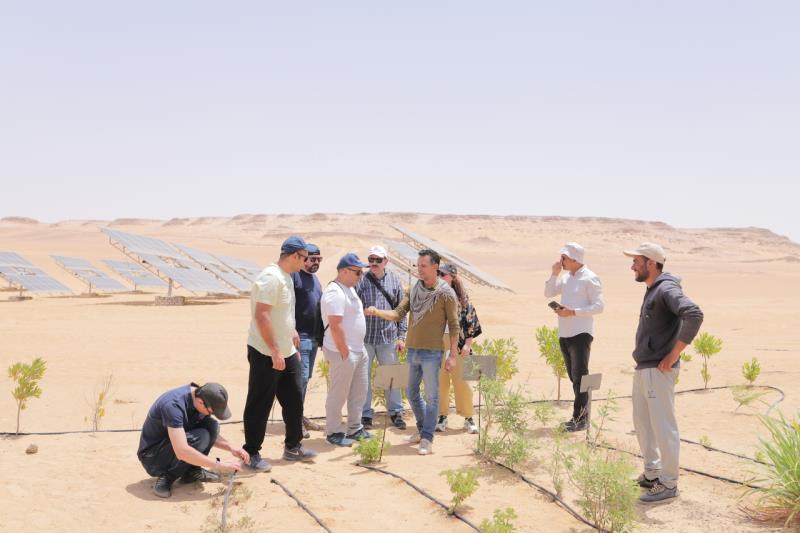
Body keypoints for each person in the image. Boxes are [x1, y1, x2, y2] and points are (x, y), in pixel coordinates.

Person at [624, 242, 703, 504]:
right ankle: (652, 473)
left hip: (659, 369)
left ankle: (669, 484)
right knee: (643, 424)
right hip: (645, 368)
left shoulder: (666, 288)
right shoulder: (652, 290)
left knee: (663, 426)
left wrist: (674, 354)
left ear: (651, 263)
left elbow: (694, 313)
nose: (632, 266)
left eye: (636, 261)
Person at [366, 249, 459, 456]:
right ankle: (422, 428)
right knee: (411, 392)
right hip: (412, 350)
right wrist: (377, 311)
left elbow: (454, 326)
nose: (420, 270)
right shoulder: (415, 288)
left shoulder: (446, 293)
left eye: (423, 266)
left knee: (432, 396)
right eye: (418, 266)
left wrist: (452, 355)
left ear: (435, 267)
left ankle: (427, 438)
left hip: (433, 352)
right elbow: (399, 313)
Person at [242, 236, 318, 471]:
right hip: (266, 352)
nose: (306, 263)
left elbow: (281, 312)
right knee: (260, 403)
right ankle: (251, 453)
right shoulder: (270, 278)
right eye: (305, 258)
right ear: (295, 256)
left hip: (286, 350)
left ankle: (293, 446)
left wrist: (291, 331)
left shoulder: (286, 277)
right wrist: (274, 350)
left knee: (294, 400)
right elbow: (262, 315)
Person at [137, 382, 247, 498]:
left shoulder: (199, 395)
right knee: (201, 436)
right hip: (152, 457)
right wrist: (218, 464)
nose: (212, 414)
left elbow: (210, 433)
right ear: (200, 402)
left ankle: (192, 472)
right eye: (211, 412)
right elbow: (182, 451)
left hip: (171, 444)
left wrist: (231, 447)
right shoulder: (173, 406)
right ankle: (167, 477)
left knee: (212, 426)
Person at [544, 242, 604, 431]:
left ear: (575, 259)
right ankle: (580, 417)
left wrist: (573, 312)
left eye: (564, 258)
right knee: (573, 376)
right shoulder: (567, 278)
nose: (561, 261)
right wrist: (554, 274)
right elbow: (548, 293)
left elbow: (599, 306)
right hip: (565, 333)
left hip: (581, 333)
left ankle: (580, 419)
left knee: (580, 377)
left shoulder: (590, 278)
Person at [321, 253, 371, 446]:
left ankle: (355, 428)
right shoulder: (335, 292)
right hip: (343, 351)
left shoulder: (349, 289)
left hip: (358, 350)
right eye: (357, 272)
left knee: (359, 391)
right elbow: (335, 325)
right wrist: (345, 352)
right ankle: (333, 432)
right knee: (338, 393)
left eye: (361, 272)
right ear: (343, 271)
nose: (360, 276)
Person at [356, 245, 407, 430]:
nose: (374, 263)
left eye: (378, 260)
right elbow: (352, 307)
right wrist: (363, 312)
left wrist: (402, 337)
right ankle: (365, 415)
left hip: (388, 338)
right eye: (371, 260)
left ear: (386, 261)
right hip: (365, 338)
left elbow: (401, 312)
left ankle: (396, 412)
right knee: (363, 378)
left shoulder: (395, 280)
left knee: (392, 376)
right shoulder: (360, 280)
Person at [435, 263, 482, 434]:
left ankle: (468, 418)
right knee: (441, 382)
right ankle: (442, 416)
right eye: (439, 274)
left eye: (443, 274)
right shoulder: (435, 296)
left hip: (459, 345)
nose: (440, 276)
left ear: (453, 277)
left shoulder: (463, 300)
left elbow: (471, 324)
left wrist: (468, 345)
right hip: (439, 344)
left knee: (462, 382)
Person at [292, 243, 324, 438]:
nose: (316, 263)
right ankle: (295, 421)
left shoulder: (315, 279)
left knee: (306, 379)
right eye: (313, 259)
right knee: (299, 380)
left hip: (313, 338)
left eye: (319, 260)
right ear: (303, 259)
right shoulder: (294, 277)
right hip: (300, 337)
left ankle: (300, 416)